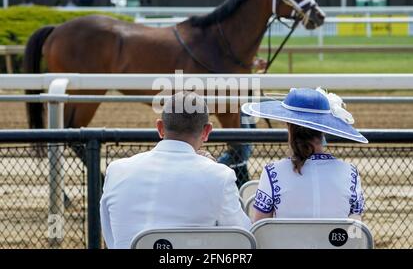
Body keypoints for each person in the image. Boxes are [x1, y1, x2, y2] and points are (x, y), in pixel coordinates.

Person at [100, 91, 250, 249]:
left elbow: (110, 237)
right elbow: (243, 238)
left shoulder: (116, 170)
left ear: (160, 127)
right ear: (206, 132)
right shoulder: (220, 176)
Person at [241, 87, 367, 222]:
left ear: (289, 126)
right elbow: (356, 229)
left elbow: (260, 228)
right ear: (323, 129)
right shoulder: (350, 173)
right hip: (334, 243)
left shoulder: (273, 172)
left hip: (287, 243)